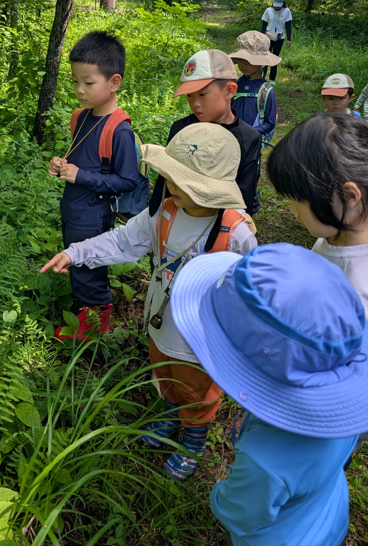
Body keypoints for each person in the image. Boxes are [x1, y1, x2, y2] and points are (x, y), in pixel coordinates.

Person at [41, 123, 256, 478]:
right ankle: (170, 413)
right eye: (169, 176)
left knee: (197, 389)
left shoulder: (236, 233)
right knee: (164, 373)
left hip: (202, 339)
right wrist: (76, 252)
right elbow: (124, 241)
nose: (171, 185)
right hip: (160, 321)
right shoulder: (165, 211)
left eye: (182, 181)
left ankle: (194, 439)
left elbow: (251, 293)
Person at [171, 244, 368, 546]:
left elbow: (239, 514)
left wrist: (218, 494)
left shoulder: (263, 460)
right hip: (328, 520)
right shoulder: (343, 410)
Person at [267, 112, 368, 441]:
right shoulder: (336, 240)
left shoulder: (361, 289)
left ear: (349, 196)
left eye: (297, 200)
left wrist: (336, 424)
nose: (290, 210)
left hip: (315, 426)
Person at [48, 31, 139, 340]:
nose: (79, 90)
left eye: (88, 83)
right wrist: (61, 165)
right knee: (76, 257)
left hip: (94, 212)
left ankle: (95, 321)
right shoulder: (80, 118)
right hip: (73, 208)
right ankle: (84, 310)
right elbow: (82, 157)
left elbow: (127, 181)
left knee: (89, 262)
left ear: (114, 82)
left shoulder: (119, 130)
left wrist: (81, 176)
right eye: (75, 81)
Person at [148, 49, 261, 223]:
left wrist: (240, 226)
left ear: (230, 90)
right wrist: (153, 217)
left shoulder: (248, 138)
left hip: (220, 227)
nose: (195, 104)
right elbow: (165, 180)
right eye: (189, 96)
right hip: (176, 222)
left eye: (202, 94)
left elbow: (245, 192)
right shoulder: (182, 128)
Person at [229, 31, 280, 147]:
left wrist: (250, 133)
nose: (243, 65)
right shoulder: (235, 85)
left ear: (261, 62)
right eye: (240, 59)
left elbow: (270, 122)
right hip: (230, 140)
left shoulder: (266, 92)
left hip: (251, 144)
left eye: (248, 60)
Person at [260, 0, 292, 84]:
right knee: (265, 57)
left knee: (274, 57)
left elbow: (288, 26)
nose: (277, 7)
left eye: (279, 6)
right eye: (275, 5)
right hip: (268, 37)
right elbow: (264, 25)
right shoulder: (268, 10)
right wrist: (262, 37)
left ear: (283, 3)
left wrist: (289, 39)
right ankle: (262, 77)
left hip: (280, 38)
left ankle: (272, 79)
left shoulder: (287, 11)